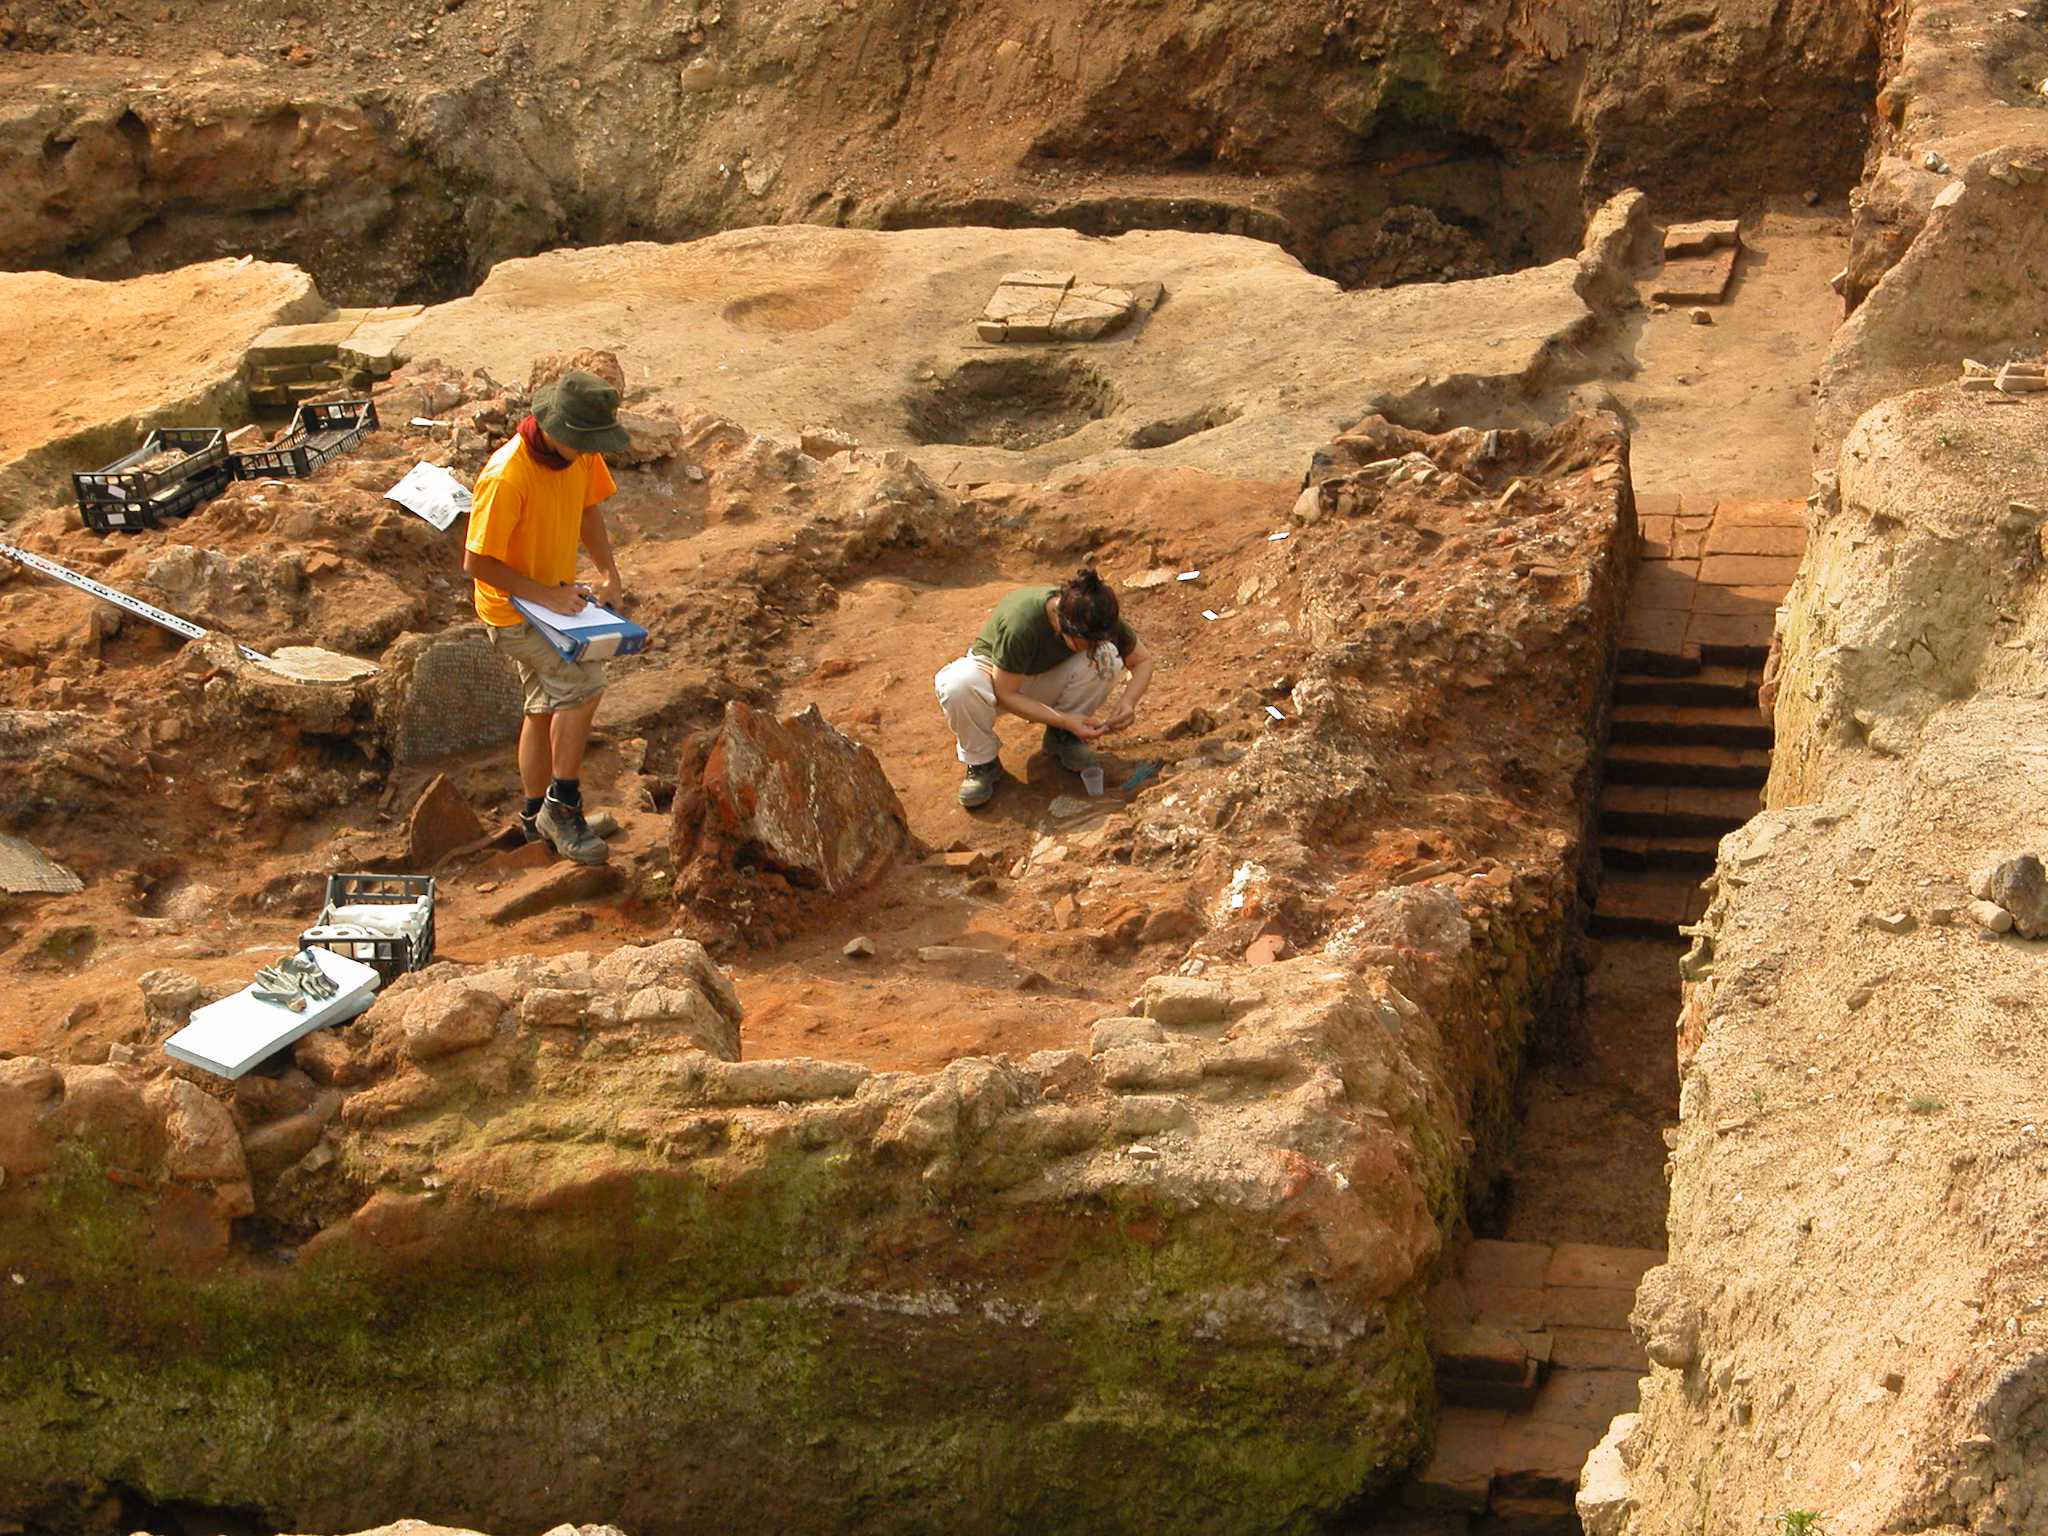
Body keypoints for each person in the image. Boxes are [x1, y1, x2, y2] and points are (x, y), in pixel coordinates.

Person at [463, 368, 629, 865]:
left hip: (549, 603)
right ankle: (563, 806)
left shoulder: (580, 452)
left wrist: (609, 573)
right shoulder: (506, 476)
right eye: (587, 440)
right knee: (585, 687)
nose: (592, 448)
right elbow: (477, 562)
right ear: (556, 429)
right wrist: (544, 596)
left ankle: (536, 818)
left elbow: (588, 510)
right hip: (512, 612)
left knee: (541, 709)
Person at [933, 566, 1156, 808]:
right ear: (1062, 627)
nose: (1092, 647)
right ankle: (982, 762)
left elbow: (1142, 661)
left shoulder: (1095, 614)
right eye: (1085, 644)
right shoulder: (1023, 623)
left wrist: (1128, 701)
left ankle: (1063, 738)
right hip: (995, 677)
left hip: (1044, 674)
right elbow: (1005, 692)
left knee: (1108, 657)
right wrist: (1065, 718)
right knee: (958, 684)